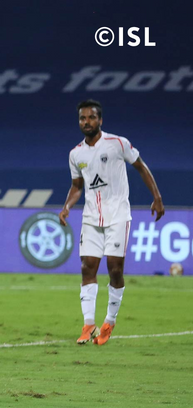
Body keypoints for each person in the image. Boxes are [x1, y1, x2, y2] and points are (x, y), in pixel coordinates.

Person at [60, 99, 163, 346]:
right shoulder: (76, 154)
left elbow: (141, 167)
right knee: (87, 267)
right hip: (91, 217)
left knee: (115, 269)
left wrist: (157, 197)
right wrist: (67, 206)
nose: (86, 122)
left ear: (100, 120)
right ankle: (88, 325)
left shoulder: (118, 143)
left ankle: (109, 321)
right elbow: (77, 186)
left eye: (91, 117)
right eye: (82, 118)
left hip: (118, 215)